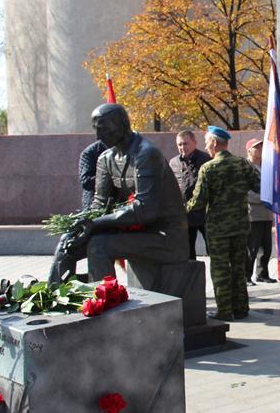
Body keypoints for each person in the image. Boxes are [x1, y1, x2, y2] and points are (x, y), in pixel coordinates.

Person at [47, 104, 189, 283]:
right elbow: (99, 205)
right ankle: (56, 299)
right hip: (137, 234)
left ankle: (107, 302)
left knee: (99, 246)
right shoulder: (106, 159)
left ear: (122, 124)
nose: (98, 136)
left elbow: (145, 210)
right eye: (96, 130)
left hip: (166, 238)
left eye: (104, 129)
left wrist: (95, 224)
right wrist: (82, 225)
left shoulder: (146, 154)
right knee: (67, 241)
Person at [185, 126, 260, 321]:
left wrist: (181, 209)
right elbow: (259, 186)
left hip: (218, 229)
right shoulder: (242, 164)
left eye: (208, 143)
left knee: (220, 270)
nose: (206, 147)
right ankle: (242, 308)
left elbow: (199, 201)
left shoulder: (208, 168)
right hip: (241, 226)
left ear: (215, 143)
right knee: (238, 267)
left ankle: (225, 310)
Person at [169, 130, 211, 260]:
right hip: (185, 215)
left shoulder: (206, 159)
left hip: (205, 213)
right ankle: (192, 280)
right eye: (179, 144)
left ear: (194, 142)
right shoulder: (173, 163)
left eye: (185, 143)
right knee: (188, 253)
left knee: (213, 250)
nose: (182, 147)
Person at [244, 138, 275, 285]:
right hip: (253, 214)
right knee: (252, 247)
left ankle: (262, 273)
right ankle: (246, 276)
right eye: (257, 147)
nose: (261, 149)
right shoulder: (245, 166)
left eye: (262, 146)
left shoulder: (266, 166)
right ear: (249, 150)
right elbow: (246, 192)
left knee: (266, 247)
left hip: (267, 213)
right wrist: (263, 199)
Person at [78, 139, 107, 210]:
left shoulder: (128, 149)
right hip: (95, 205)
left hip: (122, 205)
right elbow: (86, 181)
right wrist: (108, 176)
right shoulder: (91, 152)